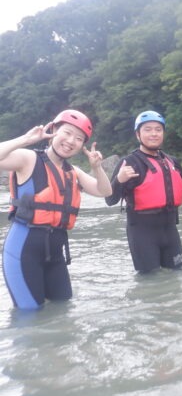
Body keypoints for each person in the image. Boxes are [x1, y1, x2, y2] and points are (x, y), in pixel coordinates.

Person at [0, 109, 112, 310]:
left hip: (55, 253)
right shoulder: (28, 159)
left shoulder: (73, 171)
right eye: (67, 133)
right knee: (30, 315)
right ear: (53, 131)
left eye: (79, 138)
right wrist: (25, 140)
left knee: (63, 310)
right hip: (23, 251)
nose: (71, 141)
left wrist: (97, 168)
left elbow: (104, 191)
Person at [105, 110, 182, 273]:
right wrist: (119, 180)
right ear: (138, 134)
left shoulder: (172, 161)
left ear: (163, 133)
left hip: (170, 229)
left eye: (158, 130)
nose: (154, 134)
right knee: (150, 282)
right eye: (148, 129)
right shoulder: (128, 162)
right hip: (142, 232)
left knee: (178, 275)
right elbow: (110, 200)